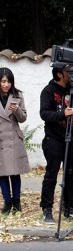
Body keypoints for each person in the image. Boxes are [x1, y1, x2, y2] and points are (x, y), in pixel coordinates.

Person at [39, 66, 73, 223]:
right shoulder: (48, 90)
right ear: (60, 74)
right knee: (51, 175)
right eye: (69, 72)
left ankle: (70, 207)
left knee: (71, 174)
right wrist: (62, 114)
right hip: (54, 139)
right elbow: (44, 113)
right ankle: (47, 209)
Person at [0, 68, 30, 215]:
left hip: (14, 138)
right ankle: (7, 202)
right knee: (2, 173)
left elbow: (23, 118)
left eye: (9, 81)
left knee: (15, 173)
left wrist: (17, 109)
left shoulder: (17, 96)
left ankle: (17, 201)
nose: (6, 84)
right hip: (1, 140)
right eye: (3, 81)